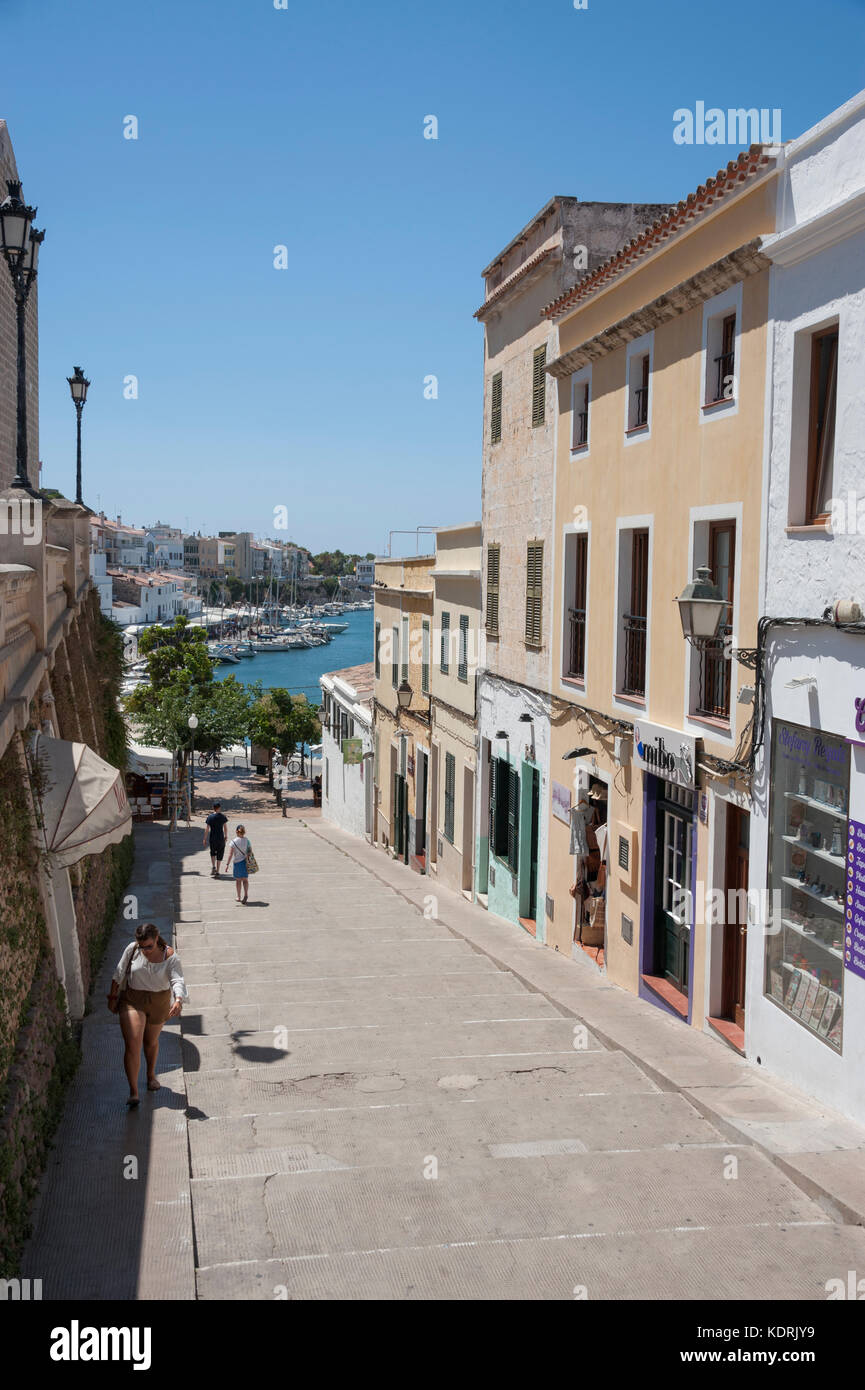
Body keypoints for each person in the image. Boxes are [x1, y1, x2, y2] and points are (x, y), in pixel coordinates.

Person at [108, 923, 187, 1107]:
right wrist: (112, 997)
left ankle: (151, 1075)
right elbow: (118, 973)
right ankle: (133, 1092)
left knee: (150, 1041)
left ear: (157, 939)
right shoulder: (133, 949)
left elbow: (177, 979)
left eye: (149, 946)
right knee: (133, 1042)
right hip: (133, 999)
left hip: (159, 1001)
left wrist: (178, 1000)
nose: (145, 951)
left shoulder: (170, 956)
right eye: (142, 946)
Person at [224, 823, 251, 903]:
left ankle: (238, 896)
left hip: (237, 863)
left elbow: (230, 854)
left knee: (238, 880)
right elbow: (249, 851)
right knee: (245, 880)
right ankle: (246, 894)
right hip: (245, 862)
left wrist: (227, 864)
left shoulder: (233, 842)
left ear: (236, 832)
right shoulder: (247, 840)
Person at [204, 800, 228, 877]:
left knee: (213, 852)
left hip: (212, 838)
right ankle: (217, 871)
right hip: (220, 838)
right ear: (219, 808)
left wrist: (204, 838)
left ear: (213, 808)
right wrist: (226, 836)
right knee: (220, 854)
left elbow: (207, 829)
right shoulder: (223, 817)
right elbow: (225, 828)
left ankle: (213, 866)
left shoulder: (210, 817)